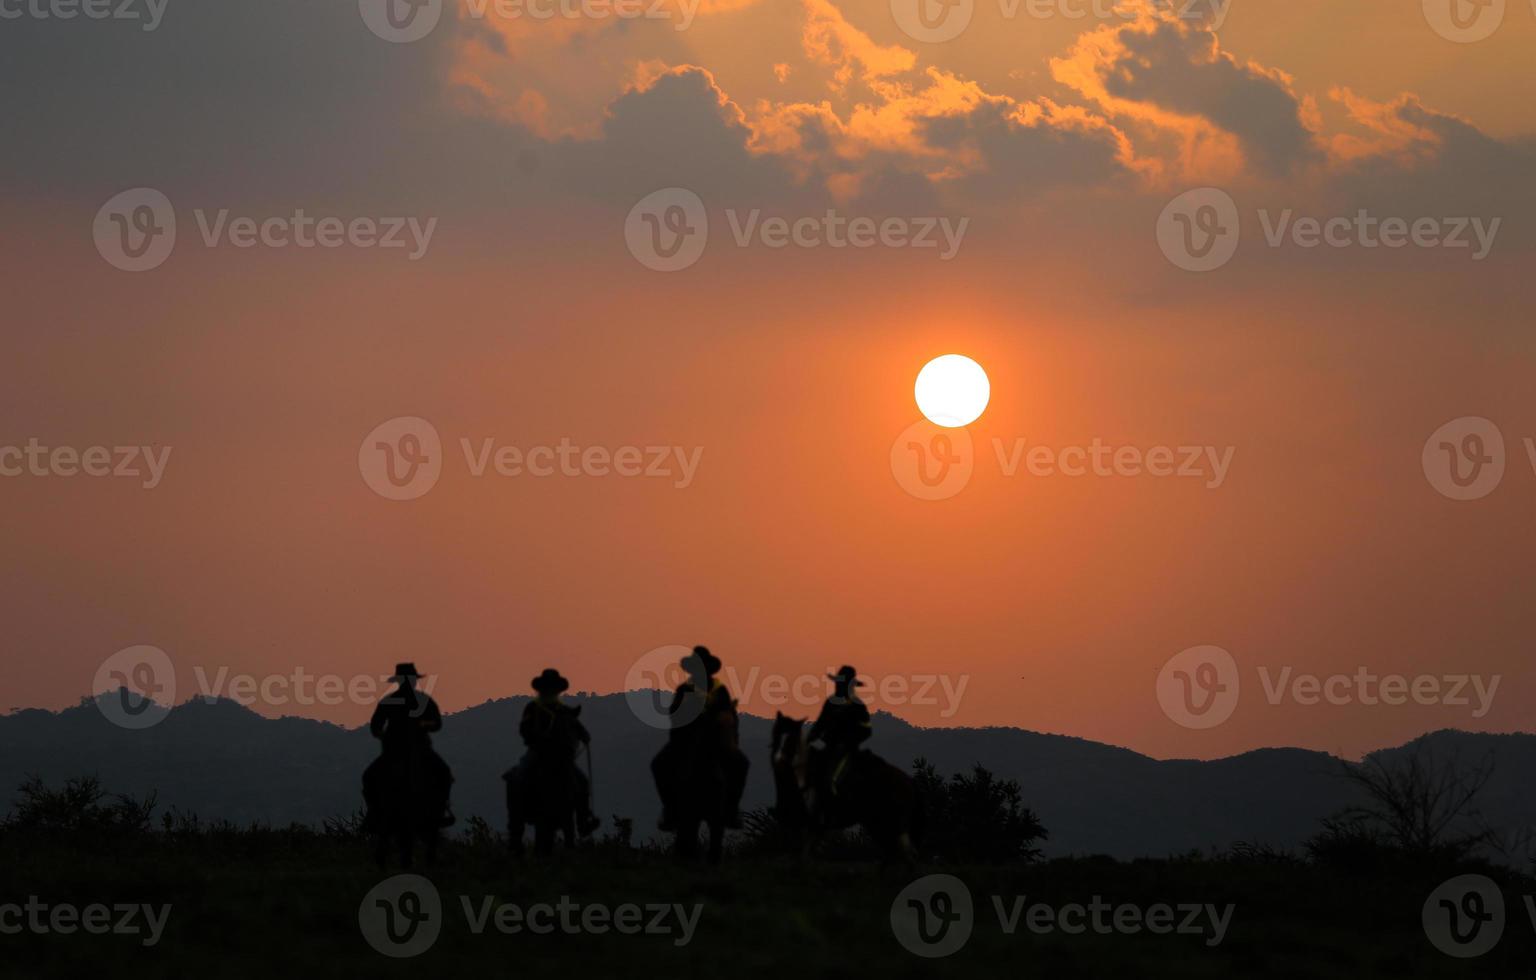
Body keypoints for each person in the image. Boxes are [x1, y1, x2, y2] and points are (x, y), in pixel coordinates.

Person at [651, 645, 748, 830]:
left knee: (742, 763)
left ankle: (732, 808)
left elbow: (730, 717)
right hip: (686, 741)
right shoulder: (684, 690)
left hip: (717, 740)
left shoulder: (720, 691)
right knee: (658, 764)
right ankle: (670, 808)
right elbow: (674, 716)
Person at [362, 662, 454, 829]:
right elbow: (376, 727)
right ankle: (373, 812)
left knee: (444, 773)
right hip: (396, 751)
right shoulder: (414, 700)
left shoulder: (416, 701)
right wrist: (385, 738)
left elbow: (436, 724)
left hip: (417, 749)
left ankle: (441, 809)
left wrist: (421, 726)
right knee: (368, 777)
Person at [513, 668, 600, 836]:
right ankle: (520, 816)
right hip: (538, 753)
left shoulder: (564, 711)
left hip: (561, 758)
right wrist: (535, 738)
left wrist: (584, 735)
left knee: (581, 782)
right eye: (548, 688)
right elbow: (524, 729)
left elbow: (578, 728)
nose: (550, 691)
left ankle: (583, 820)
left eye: (553, 688)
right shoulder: (533, 708)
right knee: (520, 777)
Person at [807, 665, 871, 797]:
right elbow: (820, 724)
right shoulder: (830, 703)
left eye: (841, 683)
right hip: (829, 748)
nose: (838, 686)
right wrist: (810, 738)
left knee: (836, 777)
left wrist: (849, 742)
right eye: (838, 683)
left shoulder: (857, 706)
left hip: (848, 752)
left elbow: (866, 729)